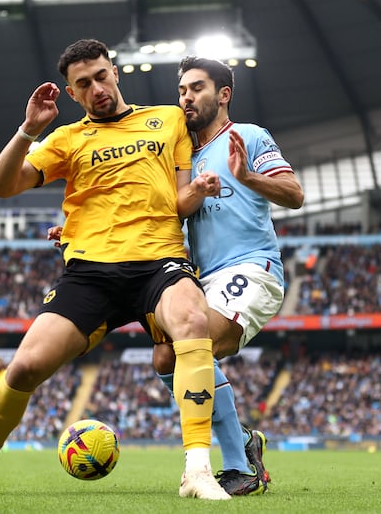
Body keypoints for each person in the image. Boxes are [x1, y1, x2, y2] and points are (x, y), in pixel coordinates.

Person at [0, 39, 230, 501]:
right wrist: (27, 130)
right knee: (23, 369)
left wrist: (198, 189)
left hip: (159, 261)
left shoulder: (168, 119)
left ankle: (197, 471)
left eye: (101, 76)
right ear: (72, 93)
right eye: (84, 84)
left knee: (193, 322)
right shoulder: (65, 139)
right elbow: (0, 187)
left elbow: (180, 199)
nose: (96, 88)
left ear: (115, 73)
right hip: (90, 272)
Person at [156, 56, 304, 495]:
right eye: (182, 90)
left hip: (252, 268)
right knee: (165, 359)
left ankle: (241, 467)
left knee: (193, 347)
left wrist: (247, 176)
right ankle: (242, 441)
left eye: (197, 88)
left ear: (223, 95)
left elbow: (294, 195)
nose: (187, 97)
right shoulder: (182, 161)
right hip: (203, 279)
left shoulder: (249, 136)